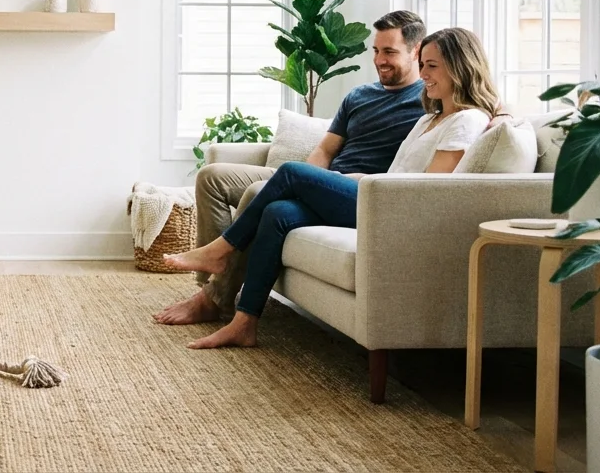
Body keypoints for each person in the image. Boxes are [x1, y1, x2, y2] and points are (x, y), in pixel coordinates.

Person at [161, 27, 499, 348]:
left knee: (292, 173)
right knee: (278, 212)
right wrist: (357, 182)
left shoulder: (466, 120)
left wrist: (503, 114)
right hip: (375, 195)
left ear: (460, 67)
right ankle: (244, 323)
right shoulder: (430, 117)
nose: (424, 73)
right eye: (423, 65)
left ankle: (220, 249)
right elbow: (399, 171)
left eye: (432, 66)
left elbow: (426, 191)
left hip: (395, 211)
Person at [154, 10, 428, 328]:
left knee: (261, 194)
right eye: (376, 51)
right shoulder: (359, 95)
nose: (380, 60)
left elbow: (467, 107)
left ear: (416, 51)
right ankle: (211, 282)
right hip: (318, 181)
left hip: (356, 188)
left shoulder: (425, 101)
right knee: (211, 176)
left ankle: (215, 294)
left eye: (390, 52)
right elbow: (326, 149)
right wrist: (312, 182)